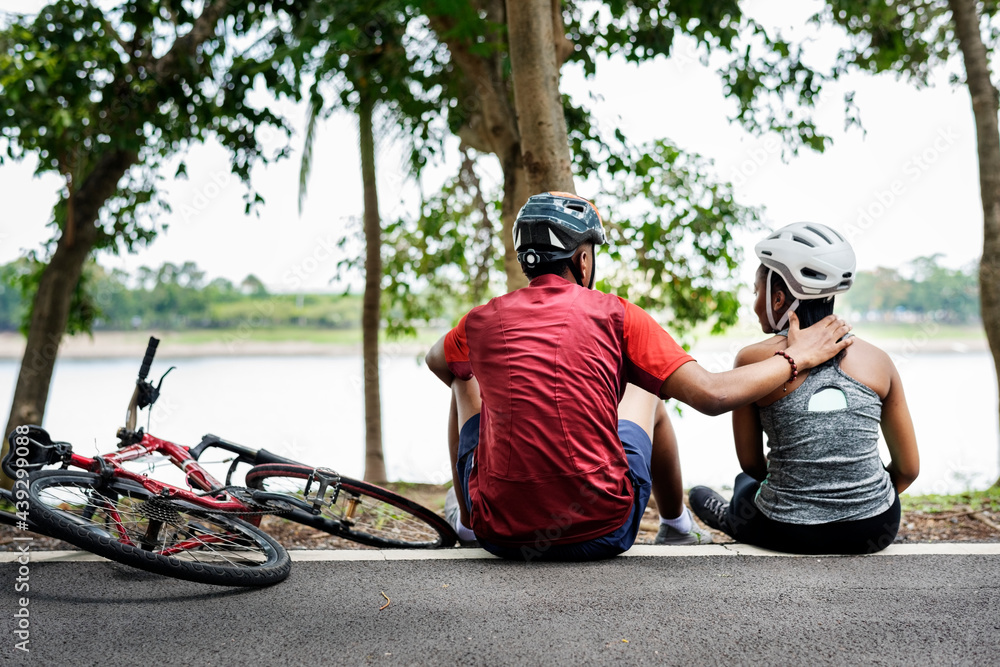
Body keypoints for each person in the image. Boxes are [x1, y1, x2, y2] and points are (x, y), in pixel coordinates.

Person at [425, 193, 853, 561]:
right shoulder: (616, 314)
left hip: (500, 535)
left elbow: (436, 361)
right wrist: (799, 356)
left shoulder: (480, 320)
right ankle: (676, 526)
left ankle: (466, 522)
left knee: (465, 374)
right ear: (582, 258)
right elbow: (711, 395)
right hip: (603, 531)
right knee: (649, 391)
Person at [688, 222, 920, 554]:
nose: (756, 303)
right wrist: (857, 500)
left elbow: (752, 463)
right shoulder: (878, 361)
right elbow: (909, 469)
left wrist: (806, 494)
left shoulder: (754, 360)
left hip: (788, 530)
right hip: (876, 526)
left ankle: (731, 520)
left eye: (757, 292)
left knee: (744, 486)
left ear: (778, 299)